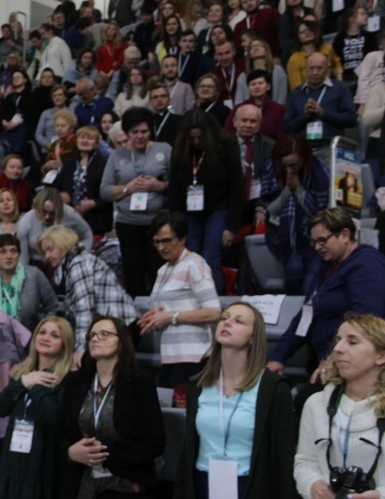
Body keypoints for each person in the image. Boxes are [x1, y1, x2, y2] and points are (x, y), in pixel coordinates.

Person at [174, 302, 297, 499]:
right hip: (202, 483)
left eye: (238, 321)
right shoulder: (197, 385)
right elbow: (188, 449)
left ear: (252, 337)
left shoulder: (274, 388)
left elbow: (283, 456)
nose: (227, 323)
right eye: (224, 318)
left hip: (251, 486)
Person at [268, 207, 385, 382]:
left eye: (322, 240)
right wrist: (279, 356)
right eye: (314, 242)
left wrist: (332, 358)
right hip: (325, 363)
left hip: (350, 368)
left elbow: (366, 320)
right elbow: (305, 316)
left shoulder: (366, 264)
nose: (317, 247)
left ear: (345, 235)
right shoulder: (327, 267)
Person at [58, 315, 165, 498]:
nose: (96, 338)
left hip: (124, 483)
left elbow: (155, 443)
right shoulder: (75, 381)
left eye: (104, 334)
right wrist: (70, 452)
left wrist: (106, 454)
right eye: (92, 335)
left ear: (122, 342)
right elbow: (59, 432)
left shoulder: (140, 382)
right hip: (79, 483)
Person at [295, 313, 385, 498]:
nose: (338, 348)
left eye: (352, 342)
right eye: (338, 340)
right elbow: (304, 461)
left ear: (381, 356)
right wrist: (313, 485)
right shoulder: (316, 404)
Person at [0, 316, 75, 498]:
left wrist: (36, 387)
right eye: (42, 332)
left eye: (54, 336)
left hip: (44, 463)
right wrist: (23, 382)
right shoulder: (23, 374)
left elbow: (55, 416)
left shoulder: (69, 379)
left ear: (65, 344)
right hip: (13, 460)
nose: (45, 338)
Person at [138, 213, 222, 388]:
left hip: (194, 355)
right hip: (170, 353)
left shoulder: (195, 264)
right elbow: (164, 312)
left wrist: (170, 317)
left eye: (167, 241)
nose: (161, 247)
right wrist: (154, 318)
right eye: (157, 242)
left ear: (183, 238)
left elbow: (214, 312)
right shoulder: (163, 269)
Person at [168, 109, 245, 294]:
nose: (196, 142)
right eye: (192, 138)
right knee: (189, 260)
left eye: (200, 138)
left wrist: (232, 226)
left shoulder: (226, 145)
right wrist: (176, 225)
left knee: (211, 260)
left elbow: (237, 185)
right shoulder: (180, 149)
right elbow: (175, 189)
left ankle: (214, 306)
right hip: (190, 212)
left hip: (218, 208)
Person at [100, 107, 172, 298]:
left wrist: (159, 186)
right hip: (128, 223)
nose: (139, 136)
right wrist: (127, 188)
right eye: (134, 132)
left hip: (158, 223)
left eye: (144, 131)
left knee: (159, 272)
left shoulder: (164, 149)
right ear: (126, 133)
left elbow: (179, 185)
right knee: (133, 275)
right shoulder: (117, 155)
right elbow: (105, 191)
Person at [37, 226, 136, 361]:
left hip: (121, 327)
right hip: (112, 327)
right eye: (45, 252)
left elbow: (84, 309)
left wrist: (81, 349)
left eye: (50, 249)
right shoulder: (74, 263)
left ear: (63, 244)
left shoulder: (79, 263)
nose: (47, 256)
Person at [260, 135, 329, 295]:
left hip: (314, 236)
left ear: (305, 159)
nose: (289, 170)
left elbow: (319, 213)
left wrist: (298, 189)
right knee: (294, 268)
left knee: (309, 284)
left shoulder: (320, 171)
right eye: (285, 165)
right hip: (281, 234)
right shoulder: (273, 168)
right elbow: (270, 209)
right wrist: (287, 189)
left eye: (294, 165)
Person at [0, 235, 58, 332]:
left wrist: (43, 330)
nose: (9, 256)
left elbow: (53, 306)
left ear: (19, 255)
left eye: (13, 251)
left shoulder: (34, 275)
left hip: (31, 340)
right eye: (2, 252)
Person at [284, 52, 357, 148]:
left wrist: (322, 113)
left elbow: (351, 119)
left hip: (331, 146)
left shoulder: (340, 88)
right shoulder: (296, 93)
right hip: (304, 149)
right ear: (306, 68)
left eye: (319, 68)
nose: (315, 73)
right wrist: (305, 116)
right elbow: (287, 127)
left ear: (327, 69)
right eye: (311, 68)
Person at [56, 126, 112, 236]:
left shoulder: (105, 163)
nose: (85, 141)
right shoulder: (68, 164)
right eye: (82, 137)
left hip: (97, 220)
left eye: (90, 138)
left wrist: (94, 203)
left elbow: (110, 193)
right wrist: (63, 196)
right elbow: (59, 188)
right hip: (71, 220)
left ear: (96, 143)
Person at [18, 188, 94, 266]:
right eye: (43, 212)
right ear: (35, 207)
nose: (47, 217)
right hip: (37, 264)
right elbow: (23, 259)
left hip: (67, 261)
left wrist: (82, 257)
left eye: (52, 213)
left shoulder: (69, 213)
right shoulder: (24, 223)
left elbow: (86, 234)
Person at [332, 6, 379, 93]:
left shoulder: (369, 37)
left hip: (366, 77)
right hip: (345, 78)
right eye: (362, 14)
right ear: (351, 19)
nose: (366, 16)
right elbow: (335, 58)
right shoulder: (340, 38)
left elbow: (374, 57)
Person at [286, 20, 343, 89]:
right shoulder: (294, 59)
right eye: (302, 32)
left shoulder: (328, 49)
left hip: (329, 90)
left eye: (310, 29)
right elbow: (296, 88)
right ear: (298, 37)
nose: (307, 32)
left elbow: (337, 65)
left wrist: (339, 79)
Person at [234, 38, 288, 105]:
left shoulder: (278, 71)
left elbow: (282, 98)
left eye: (259, 46)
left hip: (276, 112)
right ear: (249, 52)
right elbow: (238, 102)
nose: (256, 48)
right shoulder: (243, 76)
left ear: (266, 49)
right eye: (252, 47)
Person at [36, 84, 69, 153]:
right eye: (55, 96)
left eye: (60, 95)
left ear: (65, 97)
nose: (57, 97)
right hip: (47, 149)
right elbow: (38, 134)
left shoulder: (70, 113)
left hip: (66, 149)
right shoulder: (45, 113)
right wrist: (49, 146)